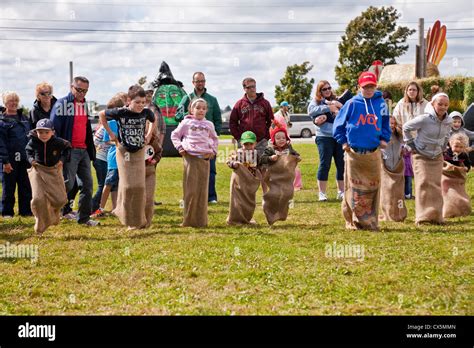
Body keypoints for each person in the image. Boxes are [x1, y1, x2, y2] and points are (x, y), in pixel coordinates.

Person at [333, 71, 391, 231]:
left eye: (372, 86)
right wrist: (343, 142)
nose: (369, 89)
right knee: (353, 187)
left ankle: (370, 220)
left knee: (372, 187)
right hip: (353, 153)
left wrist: (384, 138)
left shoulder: (381, 104)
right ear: (360, 87)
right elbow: (338, 125)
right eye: (366, 87)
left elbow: (386, 123)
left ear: (375, 86)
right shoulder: (351, 103)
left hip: (373, 152)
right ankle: (352, 220)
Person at [99, 85, 156, 230]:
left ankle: (139, 219)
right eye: (137, 102)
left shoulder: (146, 112)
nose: (141, 105)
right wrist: (111, 134)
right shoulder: (121, 112)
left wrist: (148, 134)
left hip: (138, 152)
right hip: (124, 152)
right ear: (128, 101)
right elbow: (102, 114)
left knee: (138, 187)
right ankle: (128, 219)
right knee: (129, 187)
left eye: (143, 102)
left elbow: (153, 120)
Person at [50, 76, 99, 226]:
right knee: (68, 184)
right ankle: (50, 210)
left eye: (85, 91)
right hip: (69, 151)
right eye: (79, 90)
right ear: (71, 87)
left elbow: (85, 128)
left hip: (83, 151)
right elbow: (53, 129)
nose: (81, 93)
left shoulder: (84, 104)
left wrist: (90, 149)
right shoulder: (62, 104)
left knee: (87, 185)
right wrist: (61, 152)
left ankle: (84, 219)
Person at [403, 92, 452, 225]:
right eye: (440, 104)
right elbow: (406, 127)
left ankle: (436, 216)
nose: (442, 107)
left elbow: (447, 135)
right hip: (421, 154)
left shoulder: (449, 120)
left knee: (436, 185)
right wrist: (411, 144)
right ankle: (422, 217)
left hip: (436, 156)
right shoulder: (424, 119)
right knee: (423, 183)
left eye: (445, 105)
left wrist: (443, 147)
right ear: (433, 104)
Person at [171, 98, 219, 227]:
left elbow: (215, 139)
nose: (201, 110)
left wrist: (213, 151)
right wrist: (180, 148)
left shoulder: (209, 124)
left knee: (202, 190)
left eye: (204, 108)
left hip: (204, 158)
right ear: (191, 109)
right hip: (190, 157)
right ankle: (188, 220)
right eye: (198, 107)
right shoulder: (186, 123)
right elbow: (174, 135)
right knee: (191, 190)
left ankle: (201, 221)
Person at [178, 72, 222, 204]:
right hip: (191, 144)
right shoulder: (187, 98)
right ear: (193, 83)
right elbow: (177, 115)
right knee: (190, 172)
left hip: (206, 144)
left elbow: (218, 119)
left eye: (202, 81)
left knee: (210, 170)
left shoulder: (212, 99)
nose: (200, 83)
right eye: (197, 81)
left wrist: (213, 136)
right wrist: (192, 114)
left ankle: (210, 196)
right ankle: (189, 196)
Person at [25, 118, 71, 234]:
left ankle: (53, 212)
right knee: (38, 199)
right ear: (36, 132)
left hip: (53, 170)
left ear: (52, 132)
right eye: (40, 132)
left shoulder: (58, 142)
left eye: (46, 132)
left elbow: (67, 148)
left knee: (61, 200)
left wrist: (62, 160)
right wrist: (31, 160)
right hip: (38, 170)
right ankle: (40, 224)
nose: (43, 135)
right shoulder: (33, 141)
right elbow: (28, 151)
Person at [308, 80, 345, 201]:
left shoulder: (336, 99)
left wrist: (338, 106)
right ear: (320, 91)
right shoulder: (316, 101)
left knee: (341, 164)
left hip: (339, 136)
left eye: (329, 88)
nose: (328, 90)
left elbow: (346, 112)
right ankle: (322, 193)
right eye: (324, 89)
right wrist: (327, 107)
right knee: (325, 164)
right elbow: (311, 111)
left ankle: (341, 191)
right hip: (324, 137)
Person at [259, 121, 301, 225]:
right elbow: (262, 159)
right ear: (273, 140)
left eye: (283, 138)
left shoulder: (289, 148)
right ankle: (269, 209)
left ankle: (281, 214)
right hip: (274, 178)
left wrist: (297, 157)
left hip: (286, 179)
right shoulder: (270, 150)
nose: (281, 140)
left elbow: (295, 154)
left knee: (288, 194)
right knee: (274, 195)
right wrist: (270, 158)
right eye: (278, 138)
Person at [393, 81, 429, 200]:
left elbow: (430, 120)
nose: (412, 92)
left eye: (414, 90)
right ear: (406, 91)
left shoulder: (425, 104)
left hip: (421, 139)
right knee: (406, 167)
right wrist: (402, 136)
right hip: (404, 139)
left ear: (418, 91)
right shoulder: (401, 104)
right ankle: (406, 192)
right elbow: (396, 120)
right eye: (410, 90)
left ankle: (422, 192)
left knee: (420, 167)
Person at [0, 91, 33, 217]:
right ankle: (7, 212)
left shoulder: (24, 118)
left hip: (25, 159)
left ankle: (26, 211)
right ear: (5, 103)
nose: (13, 103)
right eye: (10, 101)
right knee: (9, 187)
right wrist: (5, 161)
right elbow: (1, 143)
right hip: (9, 160)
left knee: (25, 186)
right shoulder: (2, 122)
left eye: (15, 101)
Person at [229, 77, 274, 156]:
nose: (252, 89)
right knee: (245, 164)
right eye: (249, 87)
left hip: (261, 141)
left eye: (254, 86)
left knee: (262, 164)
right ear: (244, 88)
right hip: (245, 141)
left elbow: (272, 121)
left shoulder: (265, 103)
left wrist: (266, 137)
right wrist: (238, 137)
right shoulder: (239, 104)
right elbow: (232, 122)